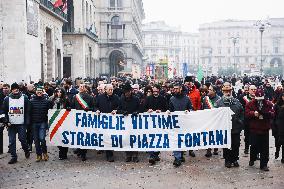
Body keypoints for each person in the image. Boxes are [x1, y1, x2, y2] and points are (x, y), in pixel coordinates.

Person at [215, 82, 244, 168]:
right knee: (227, 145)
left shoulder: (236, 101)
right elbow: (215, 115)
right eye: (226, 91)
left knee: (236, 144)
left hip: (236, 127)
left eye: (229, 91)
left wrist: (240, 121)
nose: (228, 93)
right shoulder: (218, 103)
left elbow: (242, 112)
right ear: (222, 91)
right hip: (225, 128)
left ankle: (235, 159)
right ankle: (227, 160)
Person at [245, 89, 275, 171]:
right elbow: (246, 113)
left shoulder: (268, 103)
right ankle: (252, 158)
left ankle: (264, 164)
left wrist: (268, 114)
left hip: (264, 129)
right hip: (254, 129)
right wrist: (253, 113)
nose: (260, 100)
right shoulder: (250, 103)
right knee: (254, 146)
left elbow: (273, 113)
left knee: (265, 148)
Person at [2, 83, 30, 164]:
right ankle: (14, 157)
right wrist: (6, 121)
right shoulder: (7, 99)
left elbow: (28, 110)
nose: (15, 90)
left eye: (17, 88)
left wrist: (27, 122)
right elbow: (4, 111)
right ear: (12, 89)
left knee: (22, 139)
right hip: (11, 124)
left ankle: (26, 149)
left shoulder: (24, 97)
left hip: (21, 123)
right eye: (14, 88)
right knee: (11, 141)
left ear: (19, 89)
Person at [168, 83, 193, 167]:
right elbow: (170, 109)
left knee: (182, 140)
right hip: (175, 123)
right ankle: (177, 158)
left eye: (176, 88)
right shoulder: (172, 99)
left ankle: (181, 155)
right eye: (174, 88)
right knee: (176, 140)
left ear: (181, 89)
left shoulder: (187, 98)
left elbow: (191, 108)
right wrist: (168, 111)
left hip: (185, 123)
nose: (174, 90)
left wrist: (188, 110)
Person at [95, 84, 120, 162]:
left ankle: (110, 153)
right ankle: (106, 152)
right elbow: (95, 106)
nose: (111, 91)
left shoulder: (116, 97)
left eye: (112, 89)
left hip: (113, 121)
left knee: (110, 137)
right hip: (102, 120)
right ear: (105, 90)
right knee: (104, 136)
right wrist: (97, 110)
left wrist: (116, 110)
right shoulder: (100, 97)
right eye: (109, 89)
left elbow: (120, 106)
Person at [143, 84, 168, 165]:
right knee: (150, 138)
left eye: (156, 91)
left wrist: (161, 111)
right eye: (154, 91)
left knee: (158, 138)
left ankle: (156, 154)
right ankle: (152, 155)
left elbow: (166, 108)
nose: (155, 92)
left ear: (159, 91)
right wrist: (148, 110)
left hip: (160, 123)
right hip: (150, 123)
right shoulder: (148, 98)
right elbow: (143, 108)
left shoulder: (163, 99)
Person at [71, 83, 95, 161]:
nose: (81, 88)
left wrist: (89, 109)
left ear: (85, 88)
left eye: (83, 87)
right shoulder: (75, 97)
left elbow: (93, 107)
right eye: (80, 86)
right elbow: (72, 107)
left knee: (84, 136)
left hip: (86, 119)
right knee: (79, 136)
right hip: (77, 119)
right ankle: (80, 150)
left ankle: (83, 153)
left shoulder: (90, 97)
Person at [118, 83, 140, 162]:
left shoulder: (136, 99)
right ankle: (128, 154)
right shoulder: (121, 99)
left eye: (128, 92)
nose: (127, 93)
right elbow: (118, 109)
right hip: (125, 122)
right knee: (126, 138)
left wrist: (136, 112)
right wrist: (122, 112)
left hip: (134, 122)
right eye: (125, 92)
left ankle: (135, 155)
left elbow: (140, 109)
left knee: (135, 138)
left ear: (130, 91)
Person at [30, 86, 52, 162]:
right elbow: (29, 112)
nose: (39, 92)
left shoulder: (47, 101)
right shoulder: (31, 101)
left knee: (42, 139)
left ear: (42, 92)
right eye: (37, 91)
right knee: (36, 140)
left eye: (40, 91)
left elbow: (49, 112)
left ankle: (45, 153)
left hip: (42, 122)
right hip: (34, 123)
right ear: (35, 92)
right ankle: (38, 155)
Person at [50, 88, 71, 160]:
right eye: (57, 92)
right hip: (55, 121)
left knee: (64, 137)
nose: (59, 93)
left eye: (60, 92)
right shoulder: (52, 100)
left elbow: (70, 108)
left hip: (64, 121)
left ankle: (63, 153)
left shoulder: (66, 100)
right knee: (57, 137)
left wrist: (68, 108)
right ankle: (61, 151)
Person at [202, 85, 221, 157]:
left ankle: (215, 149)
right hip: (207, 120)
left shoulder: (219, 99)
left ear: (214, 91)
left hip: (216, 120)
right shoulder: (205, 99)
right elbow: (202, 109)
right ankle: (208, 150)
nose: (208, 91)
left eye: (210, 89)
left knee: (215, 135)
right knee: (207, 135)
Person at [239, 85, 257, 154]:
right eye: (252, 89)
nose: (253, 91)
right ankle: (246, 148)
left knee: (256, 136)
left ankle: (256, 152)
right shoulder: (243, 98)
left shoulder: (259, 98)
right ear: (248, 90)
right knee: (247, 135)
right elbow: (241, 109)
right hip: (247, 120)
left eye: (255, 89)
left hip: (256, 120)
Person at [273, 92, 284, 163]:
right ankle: (277, 152)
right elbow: (273, 116)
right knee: (278, 142)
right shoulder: (277, 105)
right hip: (278, 126)